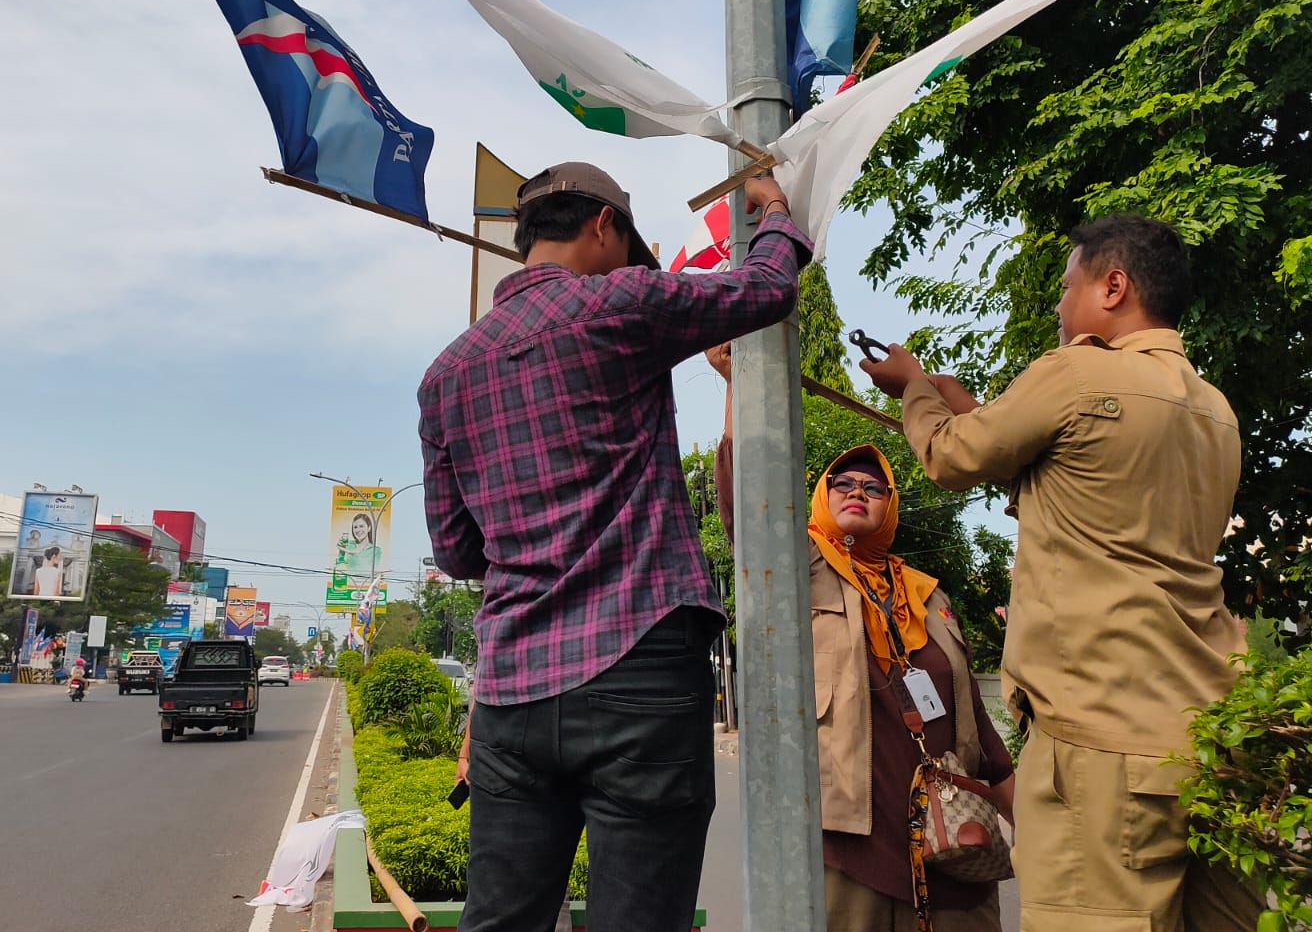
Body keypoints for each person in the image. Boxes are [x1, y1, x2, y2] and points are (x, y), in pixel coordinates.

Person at [418, 162, 810, 932]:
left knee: (500, 921)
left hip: (513, 693)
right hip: (640, 669)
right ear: (604, 225)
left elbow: (459, 553)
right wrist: (771, 209)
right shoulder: (620, 303)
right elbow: (765, 288)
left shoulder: (445, 376)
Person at [859, 213, 1265, 931]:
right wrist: (972, 407)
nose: (1057, 304)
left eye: (1068, 285)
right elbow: (1081, 492)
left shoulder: (1077, 371)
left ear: (1115, 287)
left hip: (1102, 743)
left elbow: (950, 458)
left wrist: (915, 388)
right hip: (1212, 737)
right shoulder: (1215, 412)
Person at [706, 352, 1015, 930]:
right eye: (841, 483)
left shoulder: (930, 597)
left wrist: (1044, 838)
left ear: (890, 505)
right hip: (849, 856)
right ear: (822, 497)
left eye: (873, 486)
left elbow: (979, 726)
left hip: (953, 846)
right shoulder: (798, 568)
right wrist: (736, 383)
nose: (857, 491)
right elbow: (747, 508)